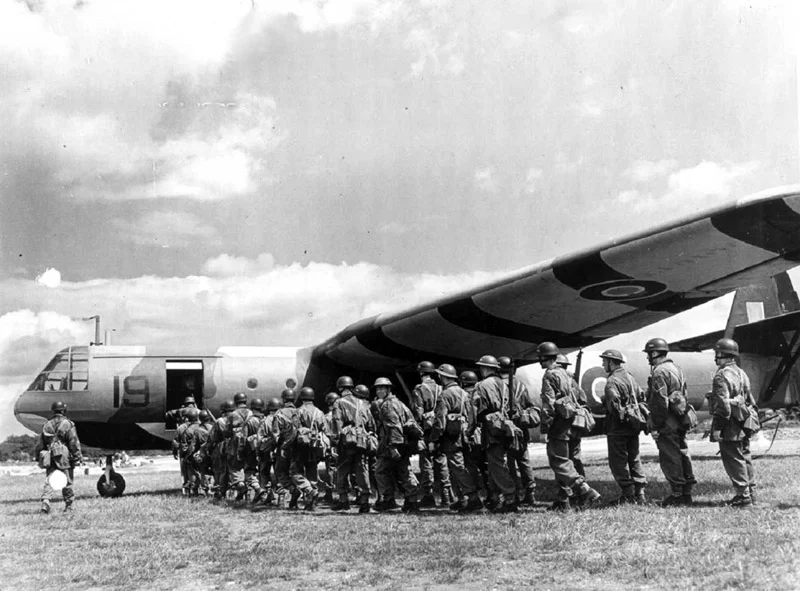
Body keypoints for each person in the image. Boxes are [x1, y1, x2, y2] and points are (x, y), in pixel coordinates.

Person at [538, 342, 601, 511]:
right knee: (572, 461)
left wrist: (545, 428)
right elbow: (582, 398)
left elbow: (548, 405)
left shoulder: (549, 375)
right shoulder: (569, 375)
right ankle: (568, 500)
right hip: (574, 424)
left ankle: (584, 490)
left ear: (544, 357)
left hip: (559, 426)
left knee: (559, 461)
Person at [644, 337, 697, 507]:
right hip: (680, 419)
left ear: (654, 353)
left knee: (670, 457)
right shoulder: (677, 369)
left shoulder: (659, 371)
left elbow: (659, 402)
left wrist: (656, 425)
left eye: (649, 354)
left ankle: (676, 495)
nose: (647, 358)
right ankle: (686, 493)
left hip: (667, 423)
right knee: (682, 453)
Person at [708, 338, 757, 507]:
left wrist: (717, 429)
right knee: (745, 456)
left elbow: (723, 407)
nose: (716, 357)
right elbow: (750, 399)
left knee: (733, 459)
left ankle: (743, 497)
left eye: (717, 353)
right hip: (743, 421)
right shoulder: (741, 373)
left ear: (722, 354)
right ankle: (751, 493)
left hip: (729, 425)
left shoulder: (721, 375)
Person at [430, 365, 483, 512]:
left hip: (451, 438)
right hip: (464, 435)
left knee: (457, 468)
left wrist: (434, 439)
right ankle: (462, 499)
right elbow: (472, 415)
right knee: (462, 467)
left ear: (443, 377)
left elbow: (440, 421)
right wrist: (469, 432)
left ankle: (473, 498)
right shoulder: (464, 393)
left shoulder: (444, 395)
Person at [600, 349, 647, 504]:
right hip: (633, 425)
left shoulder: (612, 381)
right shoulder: (630, 377)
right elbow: (641, 396)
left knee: (617, 461)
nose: (603, 364)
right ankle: (640, 494)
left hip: (617, 427)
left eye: (605, 361)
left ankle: (627, 494)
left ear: (611, 362)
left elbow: (613, 406)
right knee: (634, 458)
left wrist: (605, 402)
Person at [473, 354, 518, 513]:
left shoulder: (481, 385)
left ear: (485, 368)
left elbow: (477, 409)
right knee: (496, 463)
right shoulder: (504, 384)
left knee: (496, 464)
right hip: (505, 426)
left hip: (491, 428)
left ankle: (510, 496)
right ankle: (494, 498)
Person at [372, 377, 421, 513]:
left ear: (388, 389)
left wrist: (394, 446)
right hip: (403, 442)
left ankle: (388, 500)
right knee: (404, 470)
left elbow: (393, 426)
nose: (379, 390)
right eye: (377, 388)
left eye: (382, 388)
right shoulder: (399, 403)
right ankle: (412, 501)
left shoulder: (388, 405)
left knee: (381, 471)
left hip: (394, 443)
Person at [331, 375, 375, 513]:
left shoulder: (338, 403)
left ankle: (343, 501)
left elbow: (337, 423)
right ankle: (364, 502)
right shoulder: (362, 403)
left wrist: (335, 442)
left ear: (340, 388)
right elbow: (371, 424)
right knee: (362, 469)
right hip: (361, 440)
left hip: (347, 441)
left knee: (342, 469)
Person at [411, 361, 452, 508]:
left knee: (426, 462)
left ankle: (428, 496)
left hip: (427, 430)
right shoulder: (441, 388)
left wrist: (417, 429)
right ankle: (446, 496)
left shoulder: (419, 389)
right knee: (442, 461)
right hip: (440, 428)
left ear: (421, 373)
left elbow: (418, 411)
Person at [498, 356, 537, 506]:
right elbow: (528, 404)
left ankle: (513, 492)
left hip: (506, 428)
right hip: (521, 428)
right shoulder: (521, 385)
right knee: (524, 460)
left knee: (507, 461)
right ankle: (530, 492)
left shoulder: (498, 385)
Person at [36, 401, 82, 513]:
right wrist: (77, 457)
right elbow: (73, 442)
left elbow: (40, 443)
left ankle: (45, 502)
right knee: (67, 480)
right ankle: (69, 506)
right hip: (64, 456)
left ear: (53, 410)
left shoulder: (47, 424)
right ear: (63, 410)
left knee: (49, 480)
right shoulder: (68, 424)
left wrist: (39, 456)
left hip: (50, 454)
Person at [292, 387, 327, 511]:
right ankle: (311, 503)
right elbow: (324, 429)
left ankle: (309, 491)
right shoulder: (319, 412)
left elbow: (294, 430)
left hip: (300, 447)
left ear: (302, 397)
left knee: (295, 472)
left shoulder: (298, 411)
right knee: (312, 472)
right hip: (314, 446)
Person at [271, 388, 301, 508]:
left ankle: (293, 490)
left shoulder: (279, 414)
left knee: (280, 472)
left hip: (284, 448)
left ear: (283, 399)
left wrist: (275, 447)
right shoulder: (299, 412)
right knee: (296, 472)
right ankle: (300, 497)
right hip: (298, 447)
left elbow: (275, 434)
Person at [557, 354, 586, 477]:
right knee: (575, 456)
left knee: (562, 459)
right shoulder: (573, 382)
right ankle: (582, 481)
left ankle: (566, 489)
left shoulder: (555, 380)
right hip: (576, 425)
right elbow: (584, 402)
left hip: (563, 426)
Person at [224, 392, 253, 501]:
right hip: (249, 445)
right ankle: (249, 492)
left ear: (236, 402)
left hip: (235, 446)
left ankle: (241, 486)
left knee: (234, 467)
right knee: (248, 468)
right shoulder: (251, 413)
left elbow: (226, 432)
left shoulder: (233, 415)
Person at [204, 400, 234, 500]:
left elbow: (212, 438)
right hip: (234, 448)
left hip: (221, 449)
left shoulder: (219, 421)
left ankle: (220, 492)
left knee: (219, 471)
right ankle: (233, 492)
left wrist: (208, 449)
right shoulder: (238, 419)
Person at [242, 398, 266, 503]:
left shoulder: (249, 421)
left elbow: (243, 438)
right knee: (263, 473)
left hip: (251, 451)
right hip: (264, 449)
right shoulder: (266, 419)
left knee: (249, 472)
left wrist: (240, 451)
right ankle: (264, 496)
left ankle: (258, 489)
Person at [318, 392, 340, 504]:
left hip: (330, 446)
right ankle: (344, 494)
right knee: (343, 470)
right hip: (341, 445)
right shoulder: (341, 416)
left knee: (330, 470)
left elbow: (325, 433)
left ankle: (329, 493)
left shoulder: (325, 417)